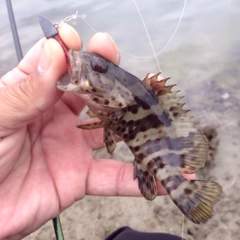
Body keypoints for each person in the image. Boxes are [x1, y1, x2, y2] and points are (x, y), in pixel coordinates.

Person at [0, 23, 194, 239]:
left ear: (119, 91)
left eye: (97, 67)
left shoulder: (119, 103)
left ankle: (183, 191)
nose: (84, 63)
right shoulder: (112, 105)